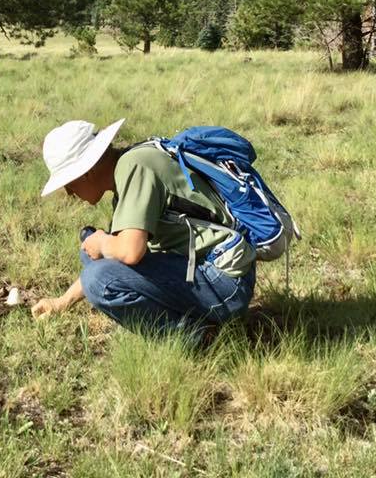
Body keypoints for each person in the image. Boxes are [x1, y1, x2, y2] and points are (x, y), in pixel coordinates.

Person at [31, 118, 256, 341]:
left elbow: (129, 252)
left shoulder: (135, 167)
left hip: (224, 284)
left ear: (85, 171)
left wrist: (102, 242)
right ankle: (191, 320)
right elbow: (115, 256)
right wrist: (62, 302)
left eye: (68, 183)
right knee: (91, 252)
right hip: (208, 273)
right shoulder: (129, 168)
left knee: (98, 276)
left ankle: (197, 337)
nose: (69, 192)